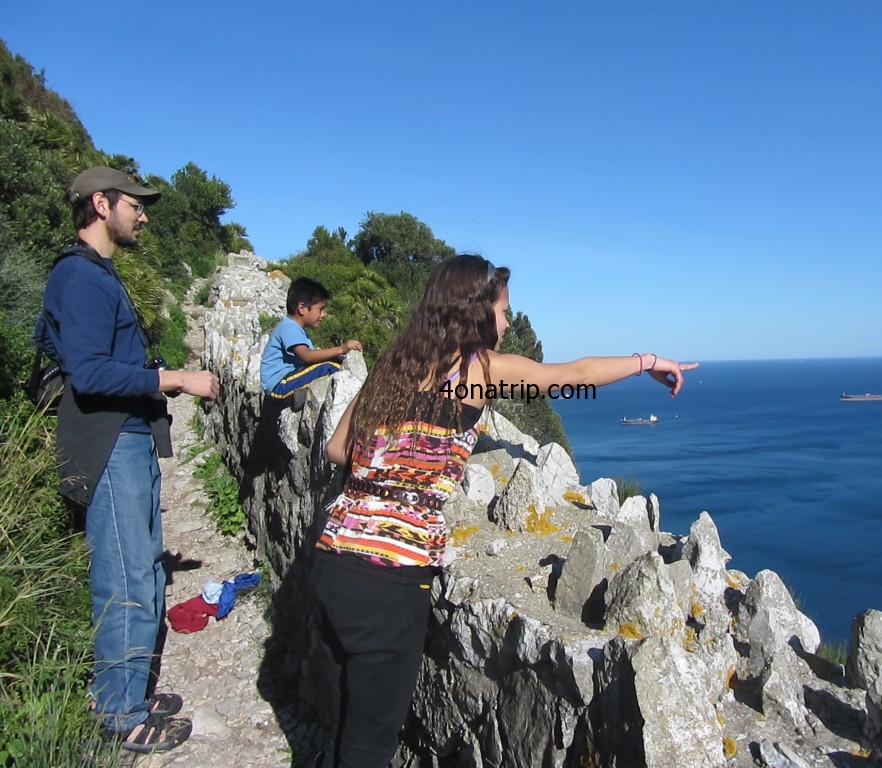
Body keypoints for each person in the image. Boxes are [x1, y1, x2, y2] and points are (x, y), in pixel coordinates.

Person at [311, 254, 698, 767]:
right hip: (392, 577)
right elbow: (575, 375)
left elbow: (338, 450)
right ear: (475, 312)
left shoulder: (393, 364)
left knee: (333, 718)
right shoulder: (483, 372)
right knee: (367, 746)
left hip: (332, 558)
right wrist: (647, 361)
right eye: (505, 310)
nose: (510, 322)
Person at [38, 167, 220, 753]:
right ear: (100, 203)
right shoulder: (82, 278)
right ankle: (120, 715)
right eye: (135, 205)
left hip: (126, 439)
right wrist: (178, 379)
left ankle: (125, 688)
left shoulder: (96, 275)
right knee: (126, 578)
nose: (143, 215)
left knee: (141, 569)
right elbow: (88, 372)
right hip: (109, 442)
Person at [260, 277, 362, 411]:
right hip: (279, 387)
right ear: (302, 308)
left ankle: (300, 394)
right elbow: (307, 356)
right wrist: (341, 349)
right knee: (329, 366)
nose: (324, 314)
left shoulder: (296, 329)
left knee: (334, 361)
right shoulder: (289, 327)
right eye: (320, 309)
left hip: (285, 382)